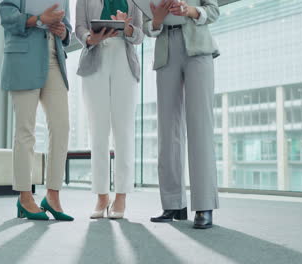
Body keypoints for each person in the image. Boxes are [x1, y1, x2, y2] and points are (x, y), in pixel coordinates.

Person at [143, 0, 220, 228]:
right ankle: (173, 203)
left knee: (200, 127)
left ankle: (204, 204)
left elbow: (213, 11)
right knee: (168, 130)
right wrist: (156, 21)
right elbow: (148, 25)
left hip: (197, 45)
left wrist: (190, 10)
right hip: (166, 49)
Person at [0, 0, 74, 221]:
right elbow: (6, 15)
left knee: (61, 128)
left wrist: (63, 32)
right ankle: (24, 196)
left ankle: (52, 195)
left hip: (54, 59)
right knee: (25, 130)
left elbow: (66, 28)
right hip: (23, 57)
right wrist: (40, 20)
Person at [75, 0, 143, 219]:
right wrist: (89, 38)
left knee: (123, 131)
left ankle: (121, 195)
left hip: (124, 59)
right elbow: (79, 27)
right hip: (95, 59)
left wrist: (129, 28)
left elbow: (140, 35)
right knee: (98, 133)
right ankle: (102, 196)